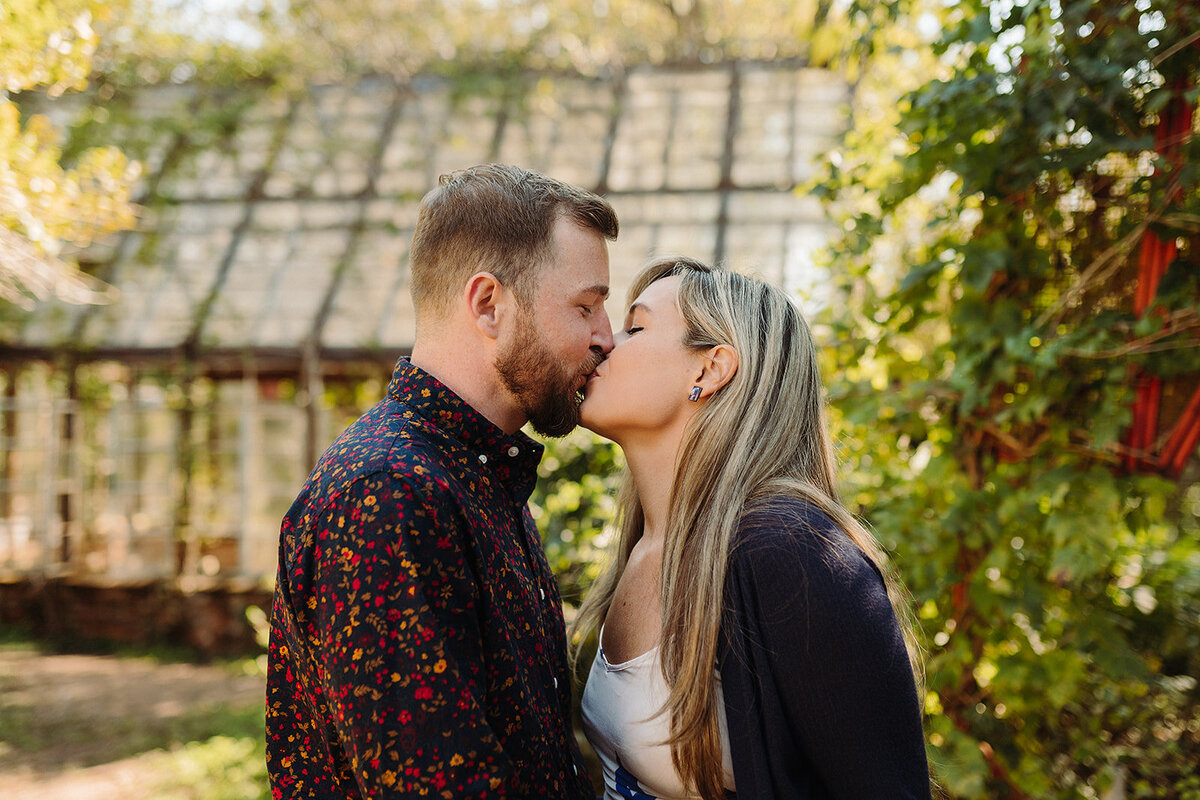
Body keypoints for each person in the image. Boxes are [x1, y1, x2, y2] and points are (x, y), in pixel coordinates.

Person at [265, 163, 619, 799]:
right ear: (489, 305)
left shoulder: (474, 475)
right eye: (585, 306)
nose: (606, 337)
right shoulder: (390, 495)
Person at [574, 256, 931, 800]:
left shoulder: (793, 554)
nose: (604, 341)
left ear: (709, 369)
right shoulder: (646, 542)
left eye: (636, 327)